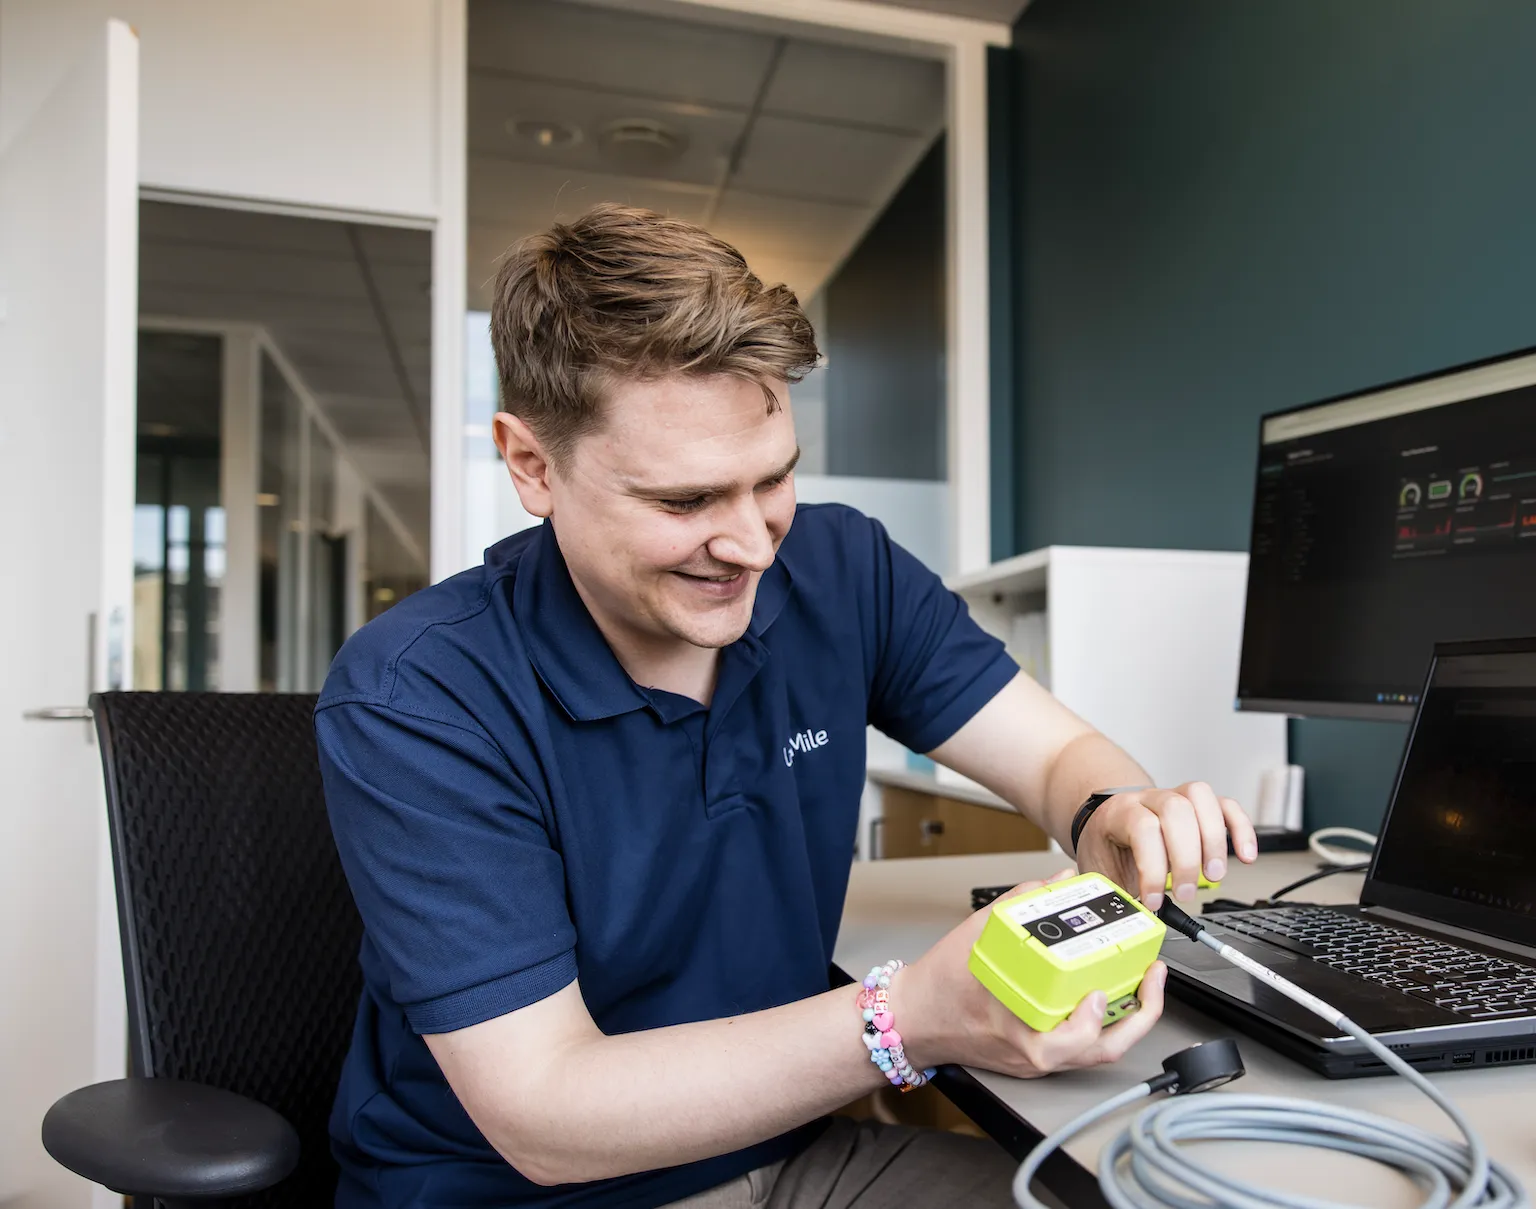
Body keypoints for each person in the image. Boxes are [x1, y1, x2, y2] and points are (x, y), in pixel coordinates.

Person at [316, 203, 1258, 1209]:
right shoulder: (418, 695)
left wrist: (1109, 810)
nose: (755, 548)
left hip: (804, 1154)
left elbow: (1054, 758)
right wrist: (909, 1018)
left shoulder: (840, 566)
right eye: (685, 503)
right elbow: (548, 1117)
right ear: (531, 465)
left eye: (774, 480)